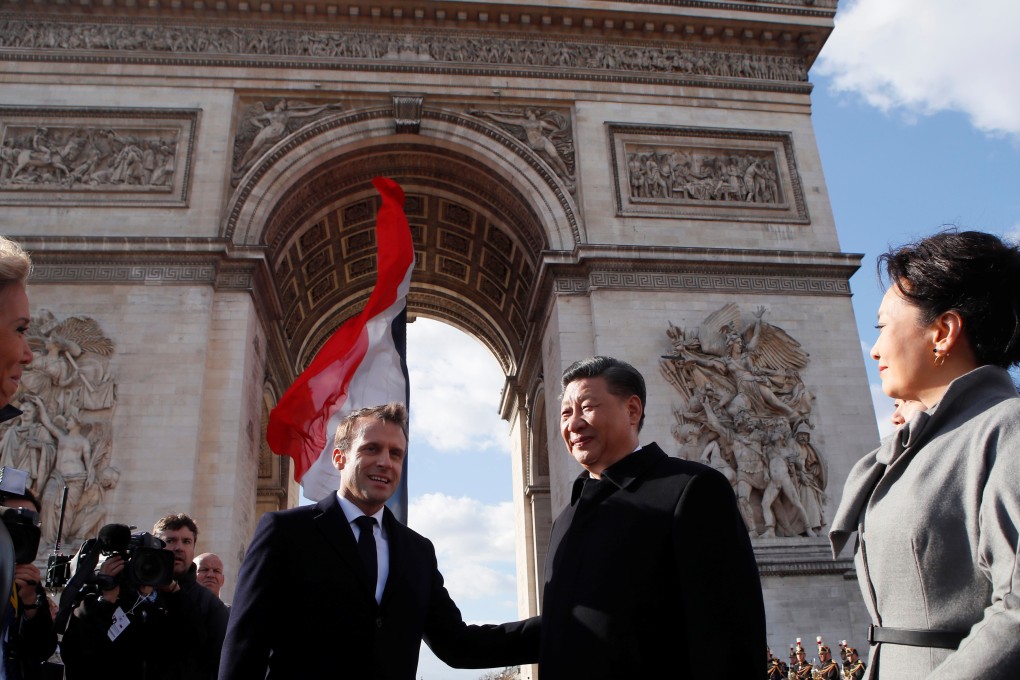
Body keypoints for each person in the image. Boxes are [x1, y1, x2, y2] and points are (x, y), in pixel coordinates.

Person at [219, 403, 536, 679]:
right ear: (339, 458)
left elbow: (458, 645)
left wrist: (564, 623)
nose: (386, 462)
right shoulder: (285, 532)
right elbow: (246, 644)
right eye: (371, 448)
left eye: (396, 454)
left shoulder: (418, 552)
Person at [830, 229, 1020, 678]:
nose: (874, 349)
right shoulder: (917, 447)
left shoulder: (1006, 428)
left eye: (881, 327)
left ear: (943, 330)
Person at [527, 356, 764, 678]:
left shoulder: (692, 489)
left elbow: (730, 631)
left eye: (587, 407)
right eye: (566, 413)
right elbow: (567, 622)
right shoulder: (565, 519)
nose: (574, 423)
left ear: (632, 410)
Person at [60, 531, 203, 679]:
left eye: (154, 562)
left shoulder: (166, 605)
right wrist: (106, 599)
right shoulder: (98, 600)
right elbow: (74, 655)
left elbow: (196, 644)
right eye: (141, 561)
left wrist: (174, 591)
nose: (147, 568)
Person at [153, 513, 229, 680]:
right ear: (155, 546)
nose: (178, 547)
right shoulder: (135, 592)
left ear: (193, 548)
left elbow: (220, 665)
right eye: (170, 540)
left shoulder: (212, 606)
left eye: (186, 541)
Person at [0, 484, 57, 680]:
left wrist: (30, 603)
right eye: (14, 519)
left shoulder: (28, 579)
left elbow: (42, 649)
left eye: (29, 521)